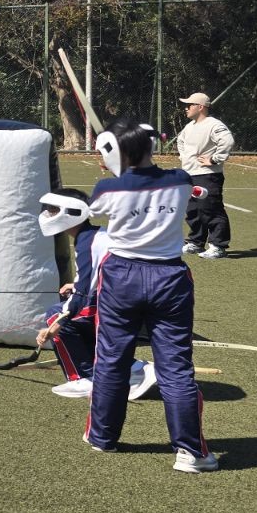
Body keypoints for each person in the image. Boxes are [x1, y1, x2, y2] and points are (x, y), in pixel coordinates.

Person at [84, 119, 216, 471]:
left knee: (112, 359)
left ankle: (102, 437)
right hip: (169, 277)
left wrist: (116, 170)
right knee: (175, 365)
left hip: (121, 277)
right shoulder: (180, 180)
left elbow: (95, 209)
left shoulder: (107, 188)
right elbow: (191, 189)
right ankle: (190, 452)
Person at [34, 188, 157, 400]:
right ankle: (129, 368)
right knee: (77, 315)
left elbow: (82, 293)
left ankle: (87, 378)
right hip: (137, 300)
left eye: (53, 210)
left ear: (72, 212)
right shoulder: (94, 235)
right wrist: (75, 285)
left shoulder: (87, 242)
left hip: (129, 306)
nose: (47, 215)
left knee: (57, 314)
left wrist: (57, 323)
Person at [176, 92, 234, 259]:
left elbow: (227, 141)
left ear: (200, 107)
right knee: (193, 210)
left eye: (190, 105)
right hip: (190, 174)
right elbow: (180, 141)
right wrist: (185, 157)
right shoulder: (189, 126)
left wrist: (214, 159)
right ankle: (196, 242)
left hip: (208, 175)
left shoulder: (213, 124)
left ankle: (218, 246)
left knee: (210, 209)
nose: (186, 108)